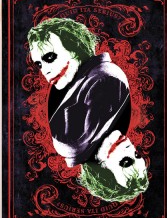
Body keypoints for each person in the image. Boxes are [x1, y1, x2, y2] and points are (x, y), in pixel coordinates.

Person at [28, 18, 148, 201]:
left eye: (126, 161)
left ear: (102, 170)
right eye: (137, 155)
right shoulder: (103, 86)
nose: (45, 71)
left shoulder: (72, 138)